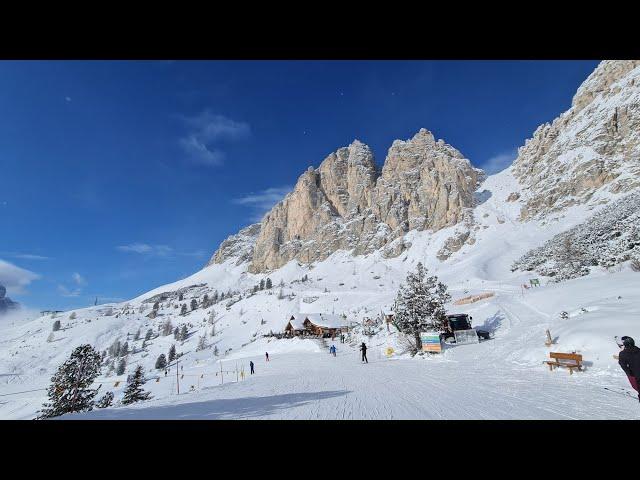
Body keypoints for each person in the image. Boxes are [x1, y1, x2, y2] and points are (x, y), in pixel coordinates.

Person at [618, 336, 640, 401]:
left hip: (635, 375)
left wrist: (629, 374)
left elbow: (622, 365)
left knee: (637, 387)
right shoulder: (639, 350)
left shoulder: (623, 354)